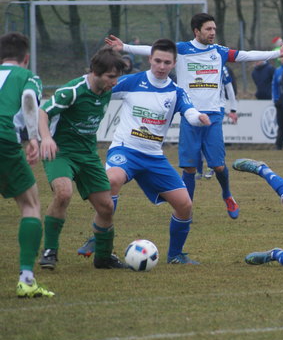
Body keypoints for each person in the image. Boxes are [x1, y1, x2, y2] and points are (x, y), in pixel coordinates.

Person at [105, 13, 283, 220]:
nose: (212, 33)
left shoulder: (219, 52)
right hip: (189, 113)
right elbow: (153, 50)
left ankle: (227, 194)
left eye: (214, 29)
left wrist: (277, 53)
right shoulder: (181, 50)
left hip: (213, 115)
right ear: (196, 31)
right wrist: (125, 47)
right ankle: (187, 208)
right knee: (189, 166)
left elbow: (246, 54)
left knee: (217, 165)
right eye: (208, 29)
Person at [82, 39, 210, 265]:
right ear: (150, 59)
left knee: (185, 204)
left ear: (174, 64)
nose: (161, 66)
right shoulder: (132, 82)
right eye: (158, 60)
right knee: (112, 180)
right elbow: (98, 85)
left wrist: (198, 119)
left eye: (167, 62)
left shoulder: (176, 92)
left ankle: (176, 255)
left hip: (153, 157)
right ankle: (97, 238)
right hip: (125, 150)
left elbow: (189, 111)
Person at [38, 47, 128, 270]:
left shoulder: (107, 89)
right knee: (63, 193)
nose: (115, 82)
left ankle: (103, 258)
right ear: (95, 72)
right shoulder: (73, 90)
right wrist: (46, 138)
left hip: (87, 154)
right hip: (60, 152)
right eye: (110, 77)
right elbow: (43, 111)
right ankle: (49, 251)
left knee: (106, 207)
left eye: (117, 77)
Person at [0, 32, 54, 298]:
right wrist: (33, 137)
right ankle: (26, 279)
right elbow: (30, 101)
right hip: (4, 141)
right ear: (26, 56)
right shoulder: (27, 76)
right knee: (30, 205)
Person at [271, 55, 283, 150]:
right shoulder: (277, 70)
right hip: (280, 101)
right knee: (281, 124)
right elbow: (274, 85)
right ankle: (279, 144)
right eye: (282, 57)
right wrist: (275, 98)